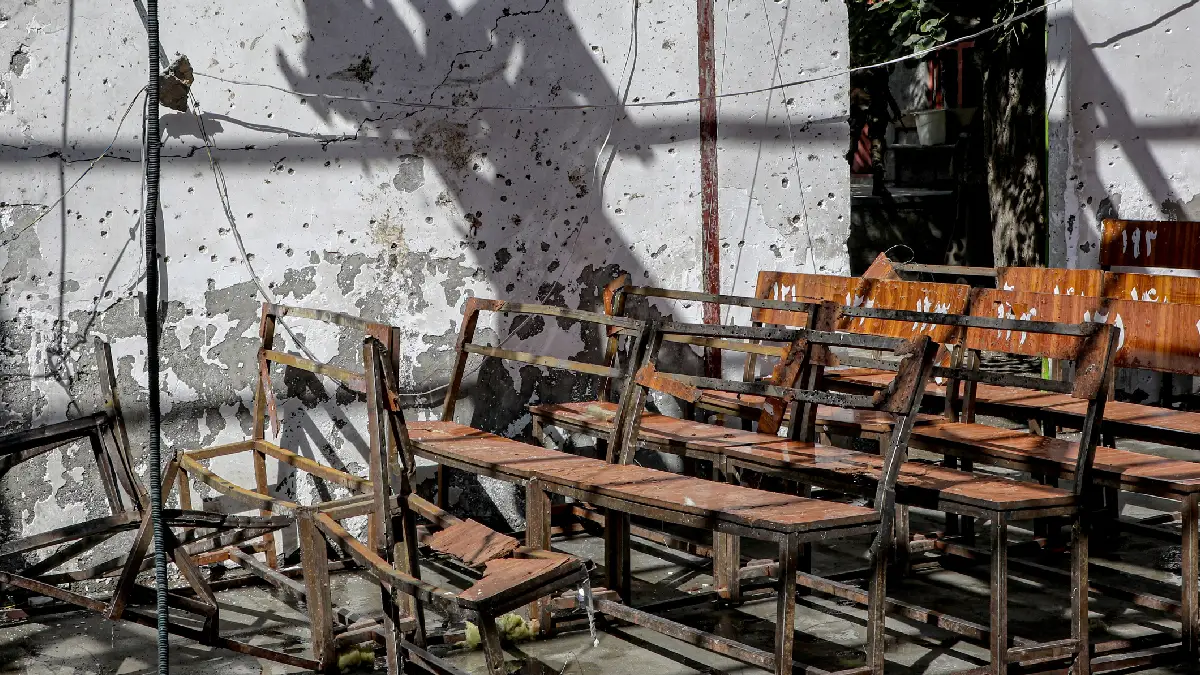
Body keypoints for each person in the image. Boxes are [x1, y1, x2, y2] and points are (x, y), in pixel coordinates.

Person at [847, 67, 903, 196]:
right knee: (857, 142)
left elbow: (885, 89)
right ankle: (877, 184)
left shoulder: (870, 67)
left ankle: (878, 184)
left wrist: (894, 108)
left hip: (869, 101)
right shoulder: (871, 66)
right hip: (864, 101)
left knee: (871, 143)